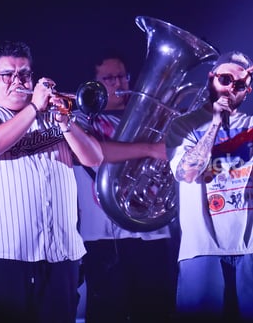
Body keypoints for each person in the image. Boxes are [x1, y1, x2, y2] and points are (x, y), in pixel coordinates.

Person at [0, 40, 103, 323]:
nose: (17, 81)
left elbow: (94, 158)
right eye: (8, 74)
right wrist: (34, 107)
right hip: (0, 259)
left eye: (24, 74)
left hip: (60, 257)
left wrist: (65, 121)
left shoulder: (55, 118)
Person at [166, 50, 253, 323]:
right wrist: (215, 124)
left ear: (246, 91)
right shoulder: (184, 126)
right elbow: (188, 172)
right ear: (211, 78)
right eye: (225, 79)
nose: (229, 88)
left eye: (238, 84)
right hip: (203, 247)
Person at [73, 51, 177, 323]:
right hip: (103, 239)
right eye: (109, 78)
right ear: (93, 84)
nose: (119, 84)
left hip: (154, 235)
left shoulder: (152, 118)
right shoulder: (80, 119)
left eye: (122, 76)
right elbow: (93, 151)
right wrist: (150, 149)